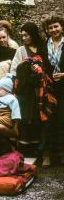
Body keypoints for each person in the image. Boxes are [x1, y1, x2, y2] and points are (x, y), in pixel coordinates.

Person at [10, 22, 45, 157]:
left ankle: (38, 150)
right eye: (22, 35)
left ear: (33, 35)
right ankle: (25, 151)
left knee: (37, 118)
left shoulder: (42, 48)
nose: (23, 38)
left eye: (26, 35)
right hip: (25, 90)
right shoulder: (21, 50)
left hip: (39, 90)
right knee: (25, 119)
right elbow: (14, 69)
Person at [41, 16, 64, 166]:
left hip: (63, 88)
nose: (53, 30)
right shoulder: (44, 45)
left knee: (62, 120)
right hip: (49, 88)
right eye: (50, 28)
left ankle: (61, 153)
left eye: (56, 26)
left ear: (61, 27)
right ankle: (46, 154)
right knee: (47, 121)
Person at [0, 73, 21, 139]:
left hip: (7, 116)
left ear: (7, 90)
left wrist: (15, 118)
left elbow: (15, 108)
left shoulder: (11, 98)